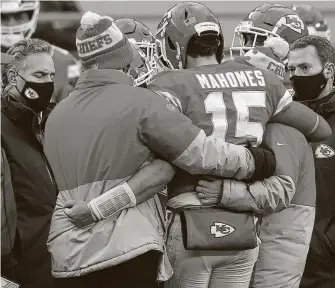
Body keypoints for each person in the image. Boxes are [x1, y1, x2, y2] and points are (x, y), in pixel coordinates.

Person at [43, 12, 275, 288]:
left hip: (68, 254)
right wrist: (253, 160)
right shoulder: (142, 103)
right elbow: (196, 155)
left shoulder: (56, 115)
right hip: (127, 250)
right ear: (124, 58)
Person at [148, 2, 330, 288]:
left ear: (173, 44)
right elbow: (320, 128)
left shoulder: (169, 83)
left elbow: (166, 149)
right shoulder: (264, 83)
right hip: (243, 231)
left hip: (191, 220)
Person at [1, 38, 58, 288]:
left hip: (57, 255)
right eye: (39, 74)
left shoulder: (52, 120)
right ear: (14, 77)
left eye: (51, 75)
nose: (47, 83)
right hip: (16, 264)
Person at [287, 35, 335, 288]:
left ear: (328, 70)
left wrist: (326, 244)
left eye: (305, 68)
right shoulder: (282, 119)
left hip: (326, 266)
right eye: (291, 69)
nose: (296, 76)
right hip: (280, 261)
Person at [1, 0, 80, 106]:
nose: (12, 25)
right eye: (3, 17)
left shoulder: (61, 60)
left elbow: (70, 115)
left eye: (19, 17)